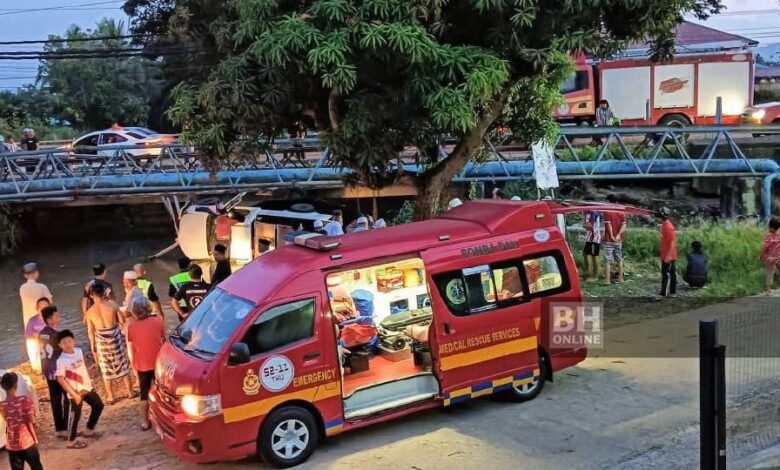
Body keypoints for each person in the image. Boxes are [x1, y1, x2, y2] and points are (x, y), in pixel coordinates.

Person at [85, 284, 133, 404]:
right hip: (114, 337)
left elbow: (90, 332)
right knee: (123, 363)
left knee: (105, 367)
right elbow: (122, 320)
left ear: (91, 296)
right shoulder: (112, 304)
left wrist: (93, 347)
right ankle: (130, 392)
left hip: (101, 341)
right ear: (104, 293)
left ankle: (111, 396)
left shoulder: (89, 312)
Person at [55, 329, 103, 449]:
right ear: (60, 345)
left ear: (74, 341)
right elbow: (60, 379)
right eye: (64, 342)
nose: (67, 344)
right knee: (75, 416)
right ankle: (70, 441)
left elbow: (83, 365)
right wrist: (73, 394)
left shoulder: (78, 351)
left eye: (69, 341)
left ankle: (89, 429)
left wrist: (89, 379)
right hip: (75, 391)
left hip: (86, 387)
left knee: (98, 405)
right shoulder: (61, 360)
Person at [126, 297, 165, 431]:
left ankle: (144, 421)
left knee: (144, 392)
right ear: (148, 308)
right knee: (160, 390)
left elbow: (131, 349)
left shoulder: (131, 327)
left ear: (134, 311)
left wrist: (133, 365)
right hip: (158, 361)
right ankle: (161, 417)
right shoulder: (159, 321)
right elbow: (163, 339)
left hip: (142, 363)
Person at [38, 305, 69, 439]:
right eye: (56, 315)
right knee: (68, 398)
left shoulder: (41, 334)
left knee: (55, 400)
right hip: (58, 371)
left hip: (48, 371)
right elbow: (64, 352)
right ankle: (67, 426)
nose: (59, 317)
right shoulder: (56, 335)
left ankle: (59, 429)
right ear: (49, 319)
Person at [0, 372, 42, 470]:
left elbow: (7, 419)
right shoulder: (24, 400)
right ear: (16, 385)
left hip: (12, 445)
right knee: (36, 467)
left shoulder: (2, 405)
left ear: (3, 387)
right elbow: (31, 419)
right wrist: (34, 438)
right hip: (27, 441)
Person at [19, 263, 53, 332]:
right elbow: (50, 302)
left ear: (25, 275)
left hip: (28, 324)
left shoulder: (22, 288)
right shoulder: (42, 287)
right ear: (37, 273)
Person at [603, 198, 626, 285]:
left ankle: (607, 280)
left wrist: (612, 236)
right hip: (618, 239)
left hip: (609, 239)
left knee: (607, 260)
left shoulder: (607, 211)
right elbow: (624, 224)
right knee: (619, 258)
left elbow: (608, 224)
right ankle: (621, 279)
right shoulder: (621, 211)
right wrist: (619, 235)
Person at [24, 298, 50, 374]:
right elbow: (27, 335)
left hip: (48, 343)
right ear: (37, 309)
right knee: (30, 342)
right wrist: (37, 338)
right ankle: (37, 365)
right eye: (41, 307)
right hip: (37, 343)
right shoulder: (32, 320)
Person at [658, 207, 677, 298]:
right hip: (665, 254)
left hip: (668, 256)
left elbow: (672, 242)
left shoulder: (668, 227)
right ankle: (673, 292)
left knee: (666, 274)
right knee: (671, 273)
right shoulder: (664, 225)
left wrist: (668, 256)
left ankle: (663, 293)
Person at [760, 218, 780, 295]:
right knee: (774, 270)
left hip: (770, 258)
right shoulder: (778, 237)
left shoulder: (769, 237)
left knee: (769, 272)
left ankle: (768, 290)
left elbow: (765, 247)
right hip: (777, 257)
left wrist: (760, 255)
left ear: (771, 228)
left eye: (769, 226)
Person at [582, 211, 602, 279]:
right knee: (585, 253)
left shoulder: (593, 214)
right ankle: (587, 272)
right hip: (589, 239)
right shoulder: (587, 214)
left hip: (594, 239)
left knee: (594, 256)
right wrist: (585, 225)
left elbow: (590, 226)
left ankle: (595, 276)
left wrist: (584, 225)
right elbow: (586, 225)